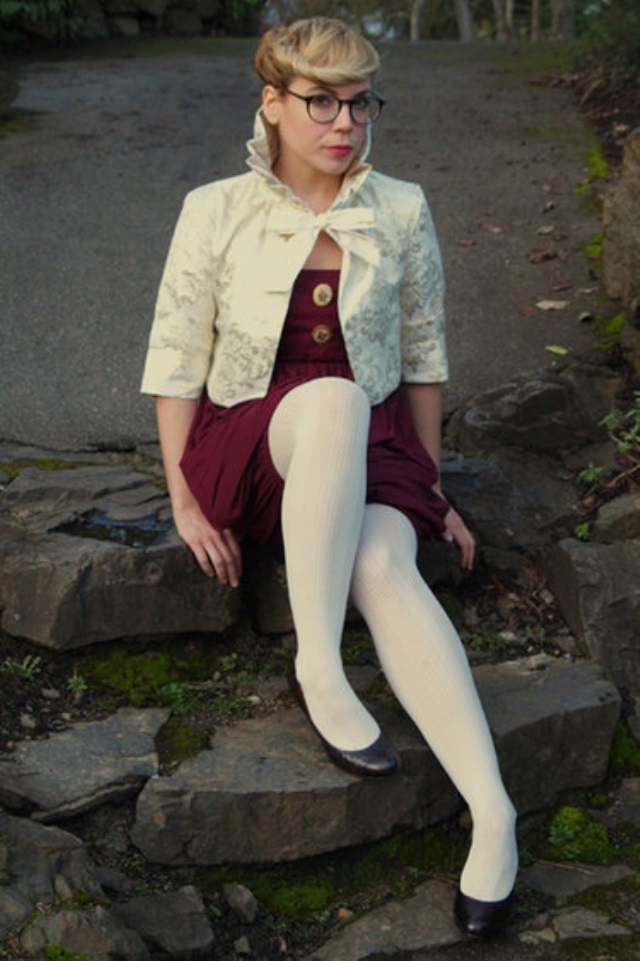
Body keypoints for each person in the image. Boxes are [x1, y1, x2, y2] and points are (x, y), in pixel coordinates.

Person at [141, 17, 517, 937]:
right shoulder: (213, 208)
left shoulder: (401, 207)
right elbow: (175, 360)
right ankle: (319, 662)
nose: (344, 122)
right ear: (272, 103)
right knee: (333, 399)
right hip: (251, 436)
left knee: (384, 559)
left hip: (370, 438)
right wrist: (183, 498)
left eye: (358, 103)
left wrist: (431, 489)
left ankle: (494, 813)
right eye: (320, 102)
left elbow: (422, 358)